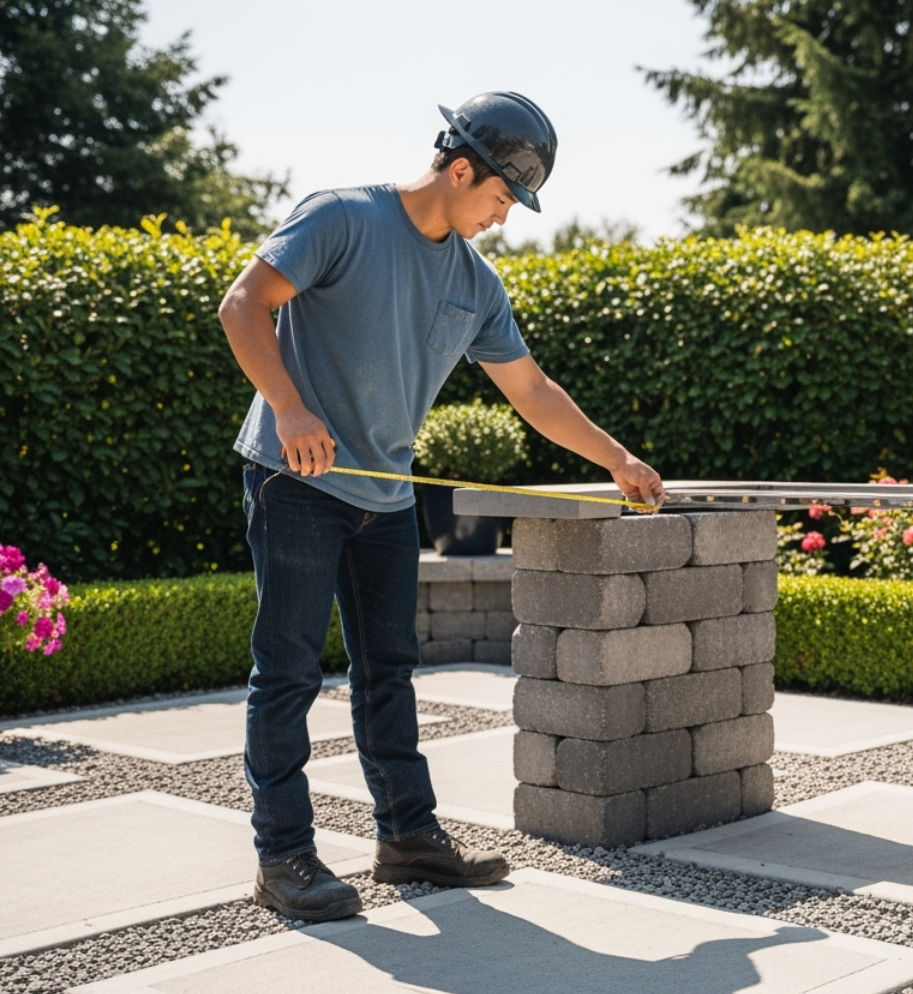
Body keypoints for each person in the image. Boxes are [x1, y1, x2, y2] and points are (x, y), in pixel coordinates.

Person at [217, 91, 664, 922]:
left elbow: (530, 388)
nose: (504, 217)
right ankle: (282, 856)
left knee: (388, 670)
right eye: (501, 198)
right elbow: (243, 305)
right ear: (462, 169)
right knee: (286, 674)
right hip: (295, 482)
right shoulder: (341, 218)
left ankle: (407, 838)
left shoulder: (474, 280)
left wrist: (617, 458)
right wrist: (288, 405)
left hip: (384, 496)